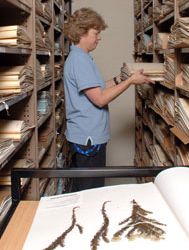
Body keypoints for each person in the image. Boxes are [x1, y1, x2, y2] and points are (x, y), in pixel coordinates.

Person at [63, 7, 154, 191]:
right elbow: (100, 99)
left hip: (87, 135)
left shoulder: (81, 57)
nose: (99, 37)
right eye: (96, 33)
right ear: (82, 32)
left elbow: (95, 88)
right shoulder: (79, 60)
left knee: (88, 188)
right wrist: (130, 81)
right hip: (88, 138)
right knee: (90, 191)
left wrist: (120, 78)